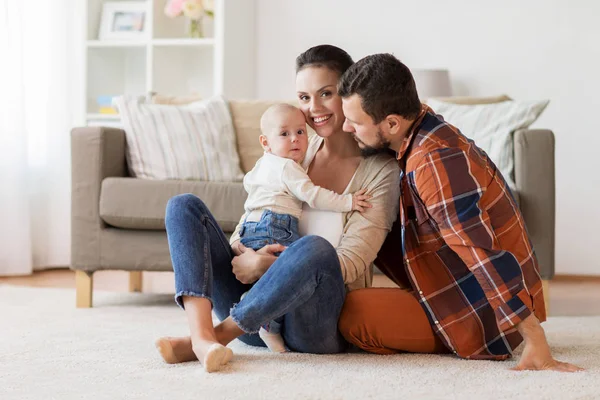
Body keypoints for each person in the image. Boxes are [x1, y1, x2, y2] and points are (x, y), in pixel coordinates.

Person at [154, 45, 400, 372]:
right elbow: (258, 209)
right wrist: (241, 248)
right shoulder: (293, 145)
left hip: (315, 326)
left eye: (326, 93)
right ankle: (201, 340)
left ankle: (221, 334)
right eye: (304, 97)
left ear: (349, 94)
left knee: (315, 248)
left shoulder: (380, 171)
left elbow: (349, 265)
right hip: (259, 321)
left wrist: (266, 267)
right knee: (183, 207)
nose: (314, 109)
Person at [337, 53, 583, 372]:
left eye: (354, 122)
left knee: (352, 314)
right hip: (456, 285)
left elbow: (480, 251)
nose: (345, 128)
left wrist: (535, 338)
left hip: (483, 316)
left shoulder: (432, 162)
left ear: (393, 123)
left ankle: (465, 336)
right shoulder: (421, 129)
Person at [233, 103, 372, 353]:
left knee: (271, 276)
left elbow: (250, 203)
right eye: (284, 134)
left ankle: (254, 305)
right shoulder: (288, 167)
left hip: (251, 227)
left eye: (300, 132)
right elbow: (313, 195)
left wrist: (238, 243)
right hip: (276, 227)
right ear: (265, 142)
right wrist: (348, 201)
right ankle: (265, 320)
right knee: (286, 277)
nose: (295, 140)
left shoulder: (259, 168)